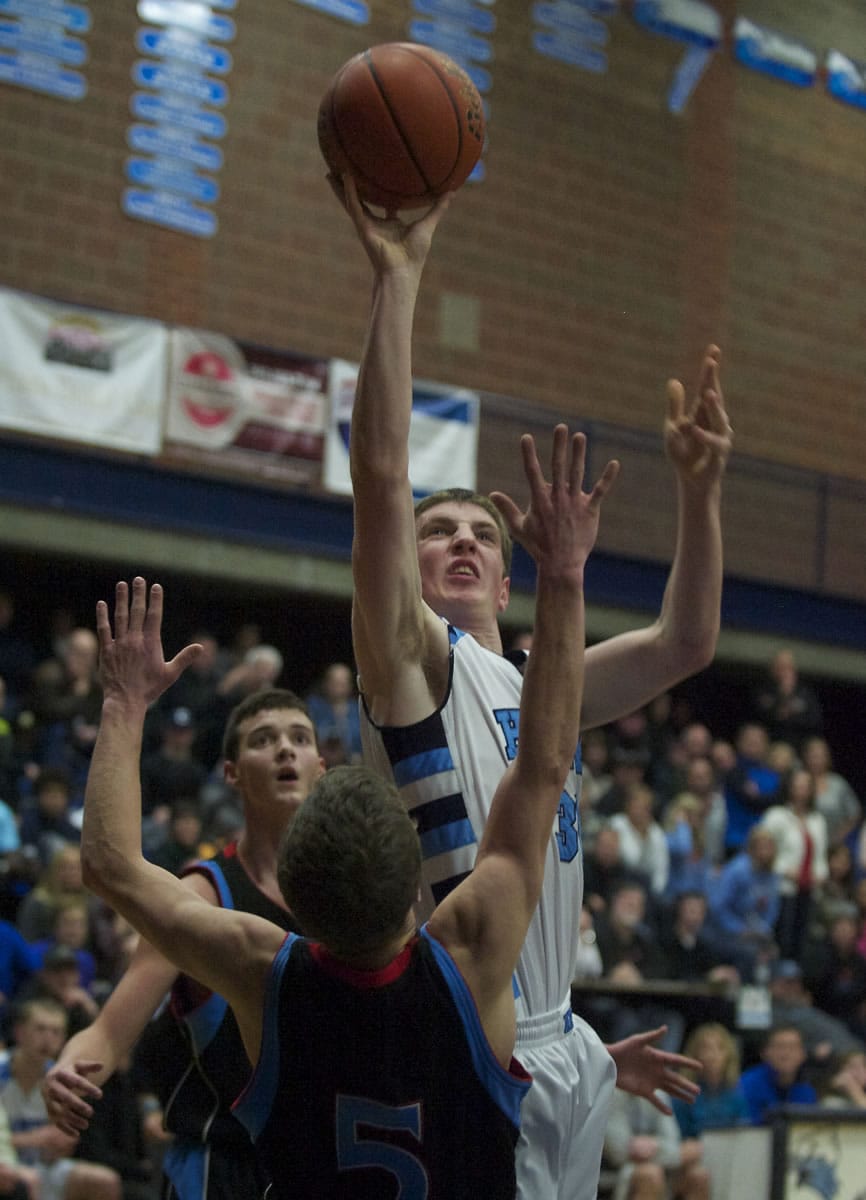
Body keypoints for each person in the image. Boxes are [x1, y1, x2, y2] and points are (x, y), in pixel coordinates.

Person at [78, 424, 610, 1195]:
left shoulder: (266, 972)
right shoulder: (467, 955)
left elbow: (108, 863)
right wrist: (562, 575)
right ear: (413, 893)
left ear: (299, 899)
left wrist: (124, 704)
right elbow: (546, 759)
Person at [336, 172, 730, 1199]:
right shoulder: (412, 666)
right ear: (407, 571)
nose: (459, 542)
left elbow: (685, 642)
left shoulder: (534, 685)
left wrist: (697, 494)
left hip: (561, 1041)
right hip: (464, 1034)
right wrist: (399, 280)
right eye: (438, 534)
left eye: (479, 535)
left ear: (510, 581)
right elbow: (379, 476)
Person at [43, 684, 326, 1200]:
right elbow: (109, 1032)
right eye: (265, 739)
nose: (286, 748)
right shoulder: (201, 893)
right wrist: (68, 1067)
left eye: (300, 738)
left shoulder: (349, 892)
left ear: (322, 766)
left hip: (323, 1164)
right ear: (231, 774)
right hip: (223, 1168)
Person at [0, 997, 121, 1200]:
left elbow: (56, 1150)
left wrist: (57, 1146)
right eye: (40, 1029)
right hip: (4, 1165)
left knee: (105, 1181)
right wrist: (33, 1140)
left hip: (40, 1167)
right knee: (29, 1183)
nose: (48, 1039)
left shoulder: (63, 1081)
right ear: (19, 1032)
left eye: (55, 1032)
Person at [671, 1023, 749, 1137]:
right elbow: (677, 1138)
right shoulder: (683, 1093)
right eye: (706, 1048)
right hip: (693, 1152)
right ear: (694, 1054)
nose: (713, 1055)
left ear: (729, 1054)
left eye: (720, 1048)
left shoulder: (738, 1092)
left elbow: (745, 1132)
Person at [739, 1023, 818, 1125]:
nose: (786, 1054)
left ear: (803, 1055)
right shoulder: (746, 1086)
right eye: (779, 1047)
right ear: (764, 1053)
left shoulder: (807, 1092)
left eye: (792, 1047)